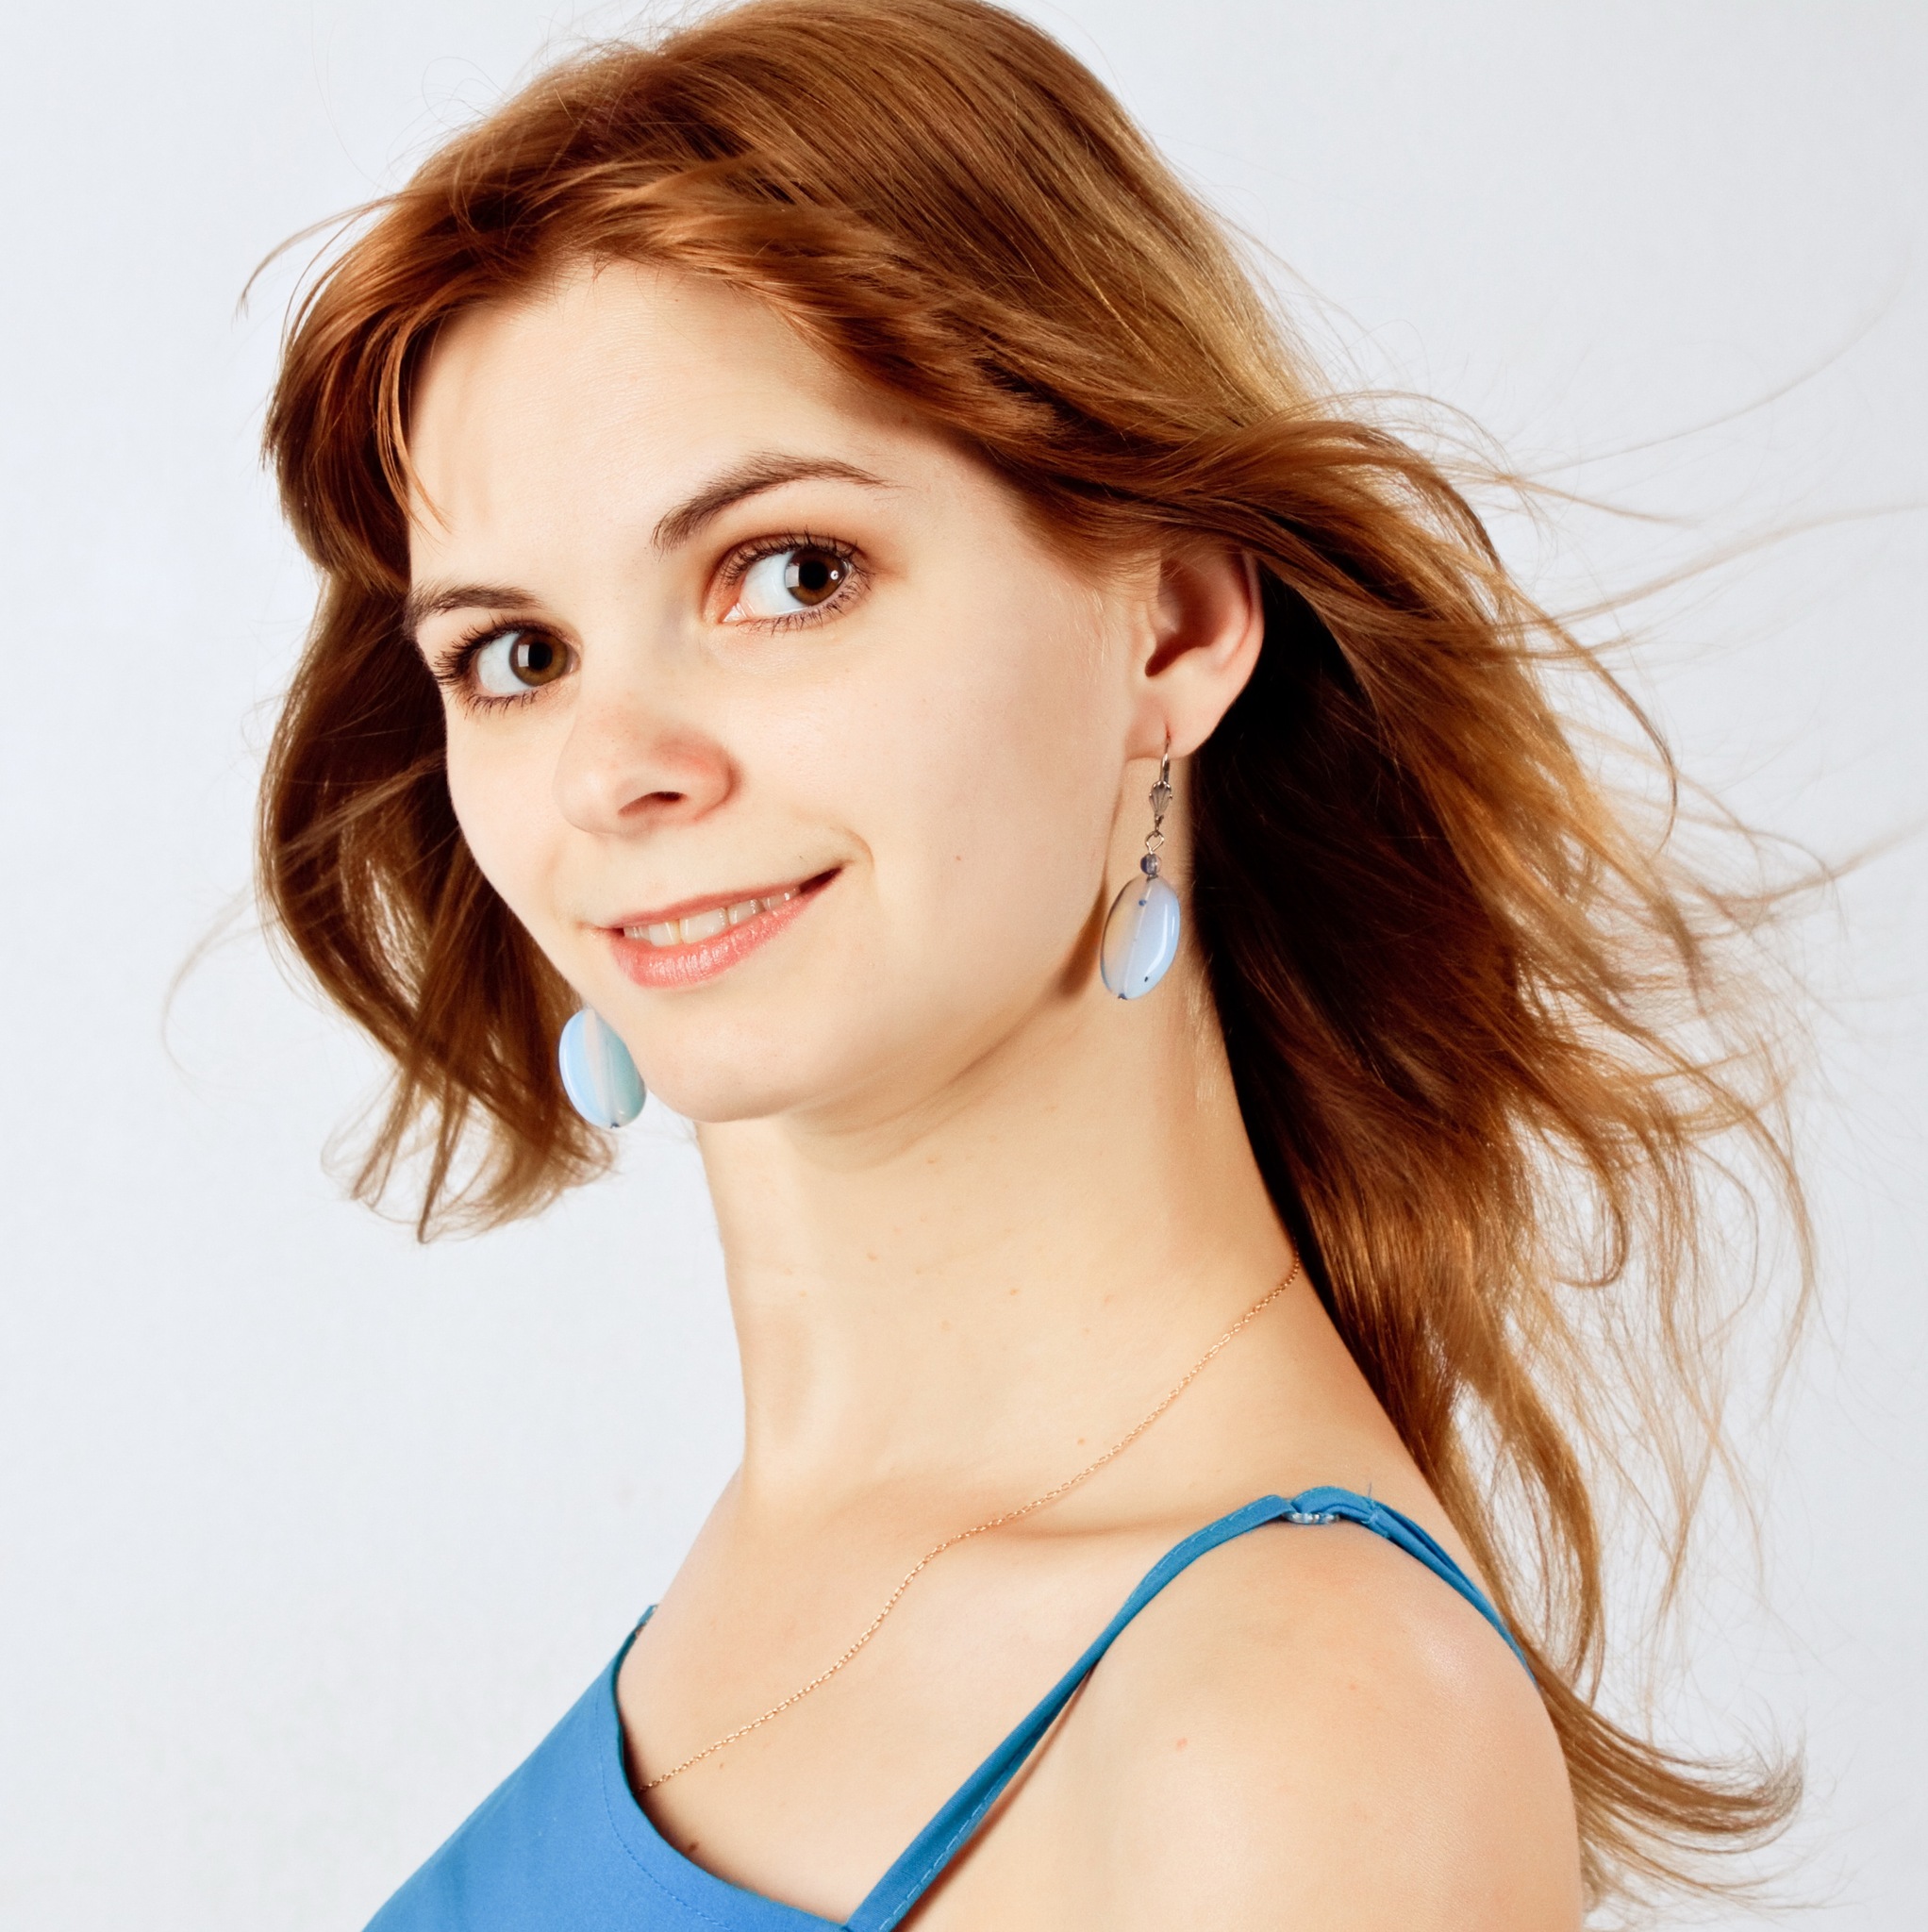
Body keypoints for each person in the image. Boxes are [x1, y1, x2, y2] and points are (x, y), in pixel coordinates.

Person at [258, 1, 1802, 1924]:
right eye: (517, 654)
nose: (612, 768)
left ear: (1171, 626)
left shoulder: (1298, 1728)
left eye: (790, 573)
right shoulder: (802, 1548)